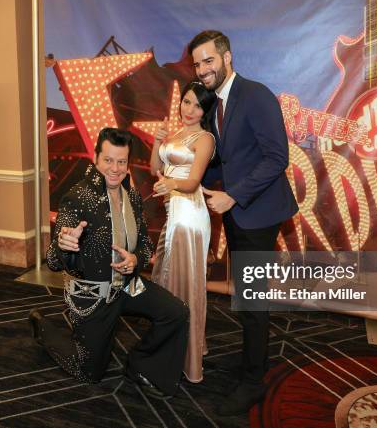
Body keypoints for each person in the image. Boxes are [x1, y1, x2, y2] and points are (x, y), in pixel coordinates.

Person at [189, 30, 299, 415]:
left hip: (258, 213)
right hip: (237, 212)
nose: (202, 69)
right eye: (197, 64)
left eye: (208, 61)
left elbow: (277, 157)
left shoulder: (255, 95)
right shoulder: (218, 101)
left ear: (227, 57)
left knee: (253, 299)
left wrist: (233, 196)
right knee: (246, 293)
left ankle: (253, 381)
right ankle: (255, 360)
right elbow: (227, 159)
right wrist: (182, 173)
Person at [32, 128, 189, 398]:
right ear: (96, 158)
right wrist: (63, 244)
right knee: (89, 372)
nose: (114, 169)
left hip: (128, 286)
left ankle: (141, 365)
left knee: (176, 312)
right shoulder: (78, 197)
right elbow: (54, 261)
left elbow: (144, 244)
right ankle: (44, 328)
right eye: (108, 160)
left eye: (121, 162)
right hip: (93, 294)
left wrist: (135, 259)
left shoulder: (133, 196)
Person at [149, 81, 215, 383]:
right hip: (172, 212)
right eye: (187, 102)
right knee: (166, 274)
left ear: (205, 110)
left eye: (197, 105)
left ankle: (184, 353)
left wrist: (172, 184)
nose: (189, 110)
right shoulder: (174, 134)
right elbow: (155, 169)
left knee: (185, 280)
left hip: (189, 213)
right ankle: (169, 346)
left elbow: (192, 182)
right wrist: (156, 142)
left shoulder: (205, 138)